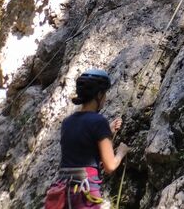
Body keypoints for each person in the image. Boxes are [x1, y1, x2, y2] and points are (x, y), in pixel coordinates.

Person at [43, 69, 128, 209]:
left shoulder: (67, 122)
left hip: (62, 192)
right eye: (104, 94)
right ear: (99, 95)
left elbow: (83, 146)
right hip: (84, 193)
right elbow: (110, 166)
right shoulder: (99, 122)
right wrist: (121, 152)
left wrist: (107, 132)